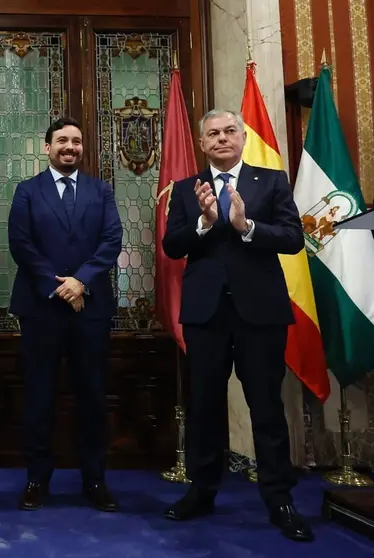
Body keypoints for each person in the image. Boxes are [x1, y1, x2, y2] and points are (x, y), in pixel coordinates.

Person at [162, 109, 313, 542]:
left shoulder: (271, 180)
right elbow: (173, 246)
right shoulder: (188, 189)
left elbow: (292, 237)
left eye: (230, 131)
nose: (222, 138)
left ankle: (279, 499)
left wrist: (247, 227)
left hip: (259, 313)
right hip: (206, 315)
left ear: (243, 137)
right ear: (202, 142)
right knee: (205, 406)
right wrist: (203, 225)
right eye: (214, 134)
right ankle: (201, 491)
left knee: (266, 407)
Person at [7, 117, 123, 513]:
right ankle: (37, 479)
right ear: (47, 147)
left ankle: (95, 480)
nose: (69, 146)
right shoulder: (27, 191)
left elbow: (111, 241)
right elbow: (20, 243)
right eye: (62, 140)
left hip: (90, 308)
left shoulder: (101, 190)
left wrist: (82, 282)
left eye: (76, 140)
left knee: (92, 396)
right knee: (39, 396)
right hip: (41, 307)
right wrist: (60, 286)